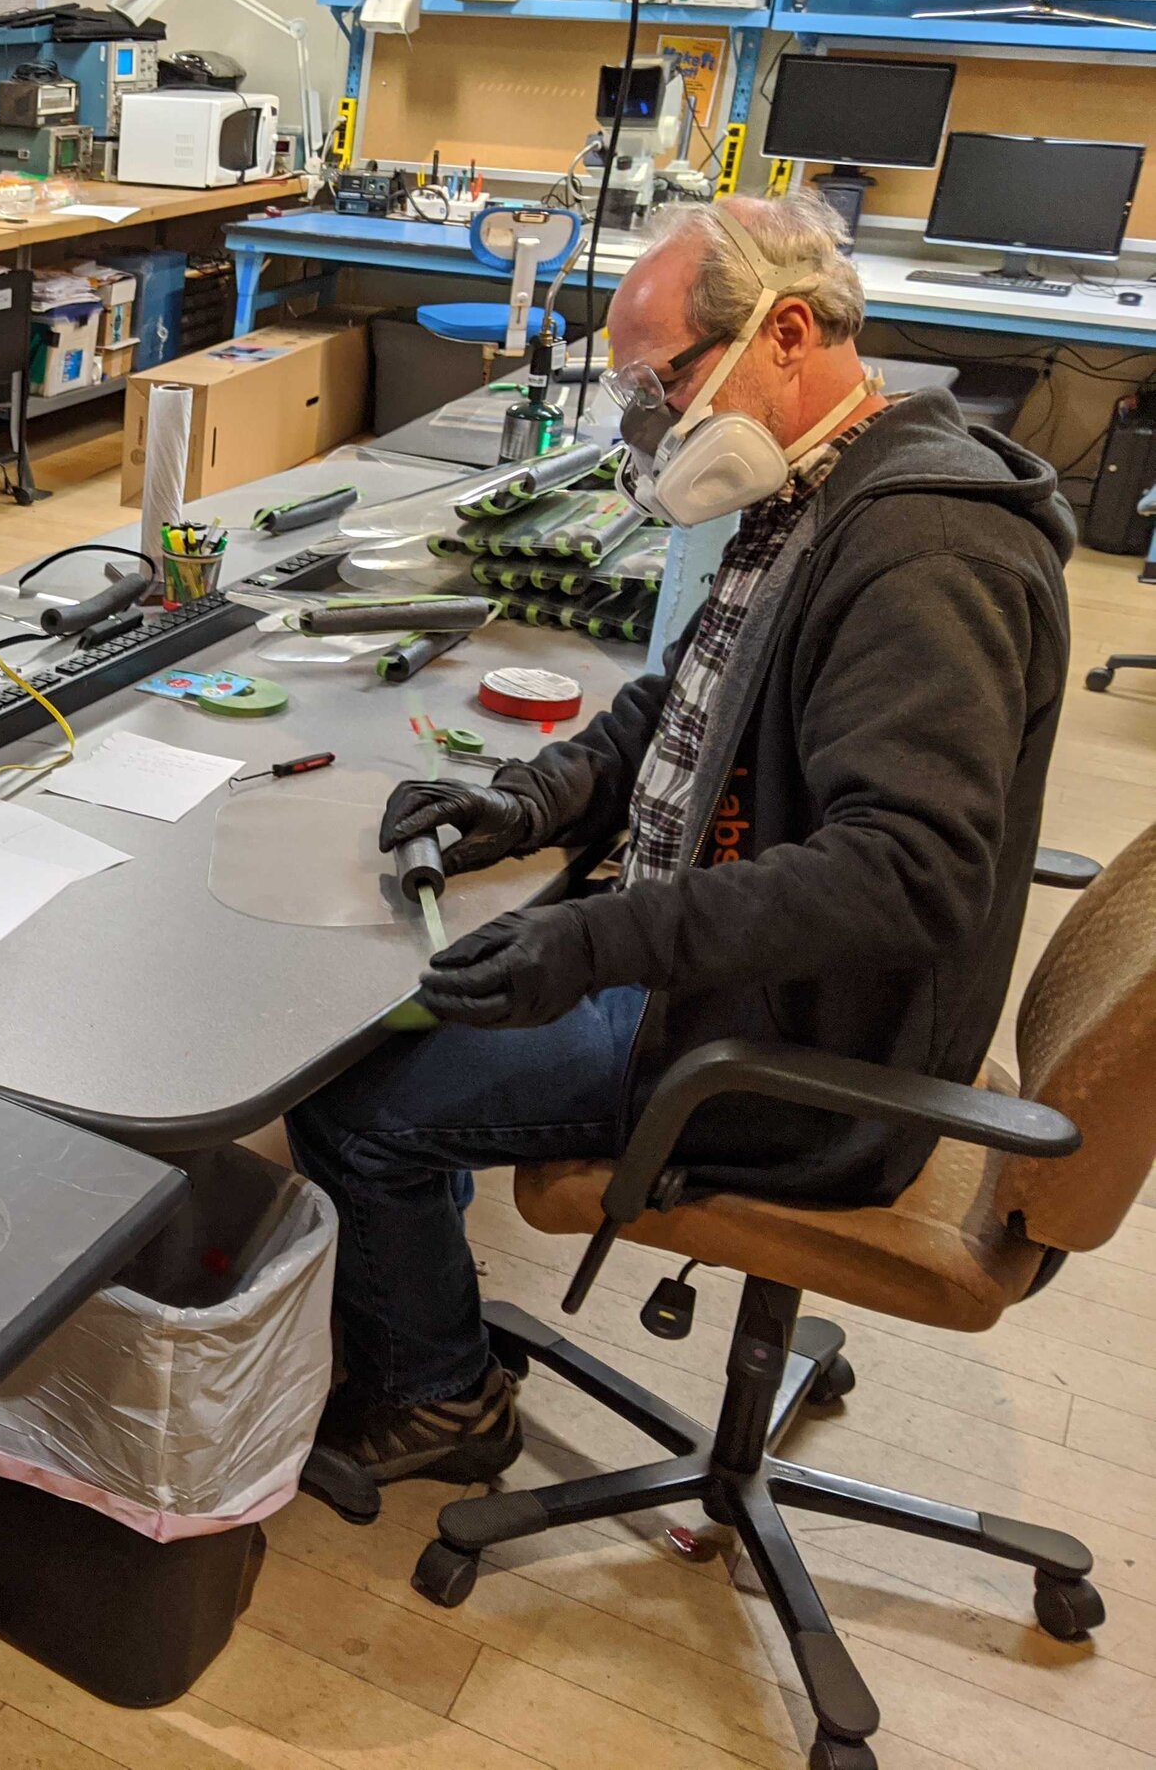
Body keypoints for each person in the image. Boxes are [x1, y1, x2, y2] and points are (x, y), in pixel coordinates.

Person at [293, 195, 1073, 1488]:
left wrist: (592, 935)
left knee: (359, 1101)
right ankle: (415, 1300)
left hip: (788, 1051)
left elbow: (908, 872)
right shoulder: (831, 485)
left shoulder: (923, 551)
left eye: (667, 380)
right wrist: (530, 802)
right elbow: (695, 698)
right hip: (737, 978)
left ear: (790, 334)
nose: (653, 422)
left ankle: (433, 1395)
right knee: (414, 1007)